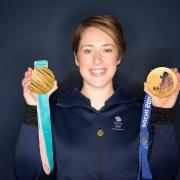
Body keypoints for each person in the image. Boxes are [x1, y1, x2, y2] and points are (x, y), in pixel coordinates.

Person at [14, 15, 180, 180]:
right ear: (76, 58)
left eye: (107, 50)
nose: (97, 60)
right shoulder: (53, 113)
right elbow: (27, 175)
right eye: (87, 50)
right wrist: (34, 110)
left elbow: (164, 175)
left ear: (119, 56)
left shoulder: (141, 113)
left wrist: (163, 114)